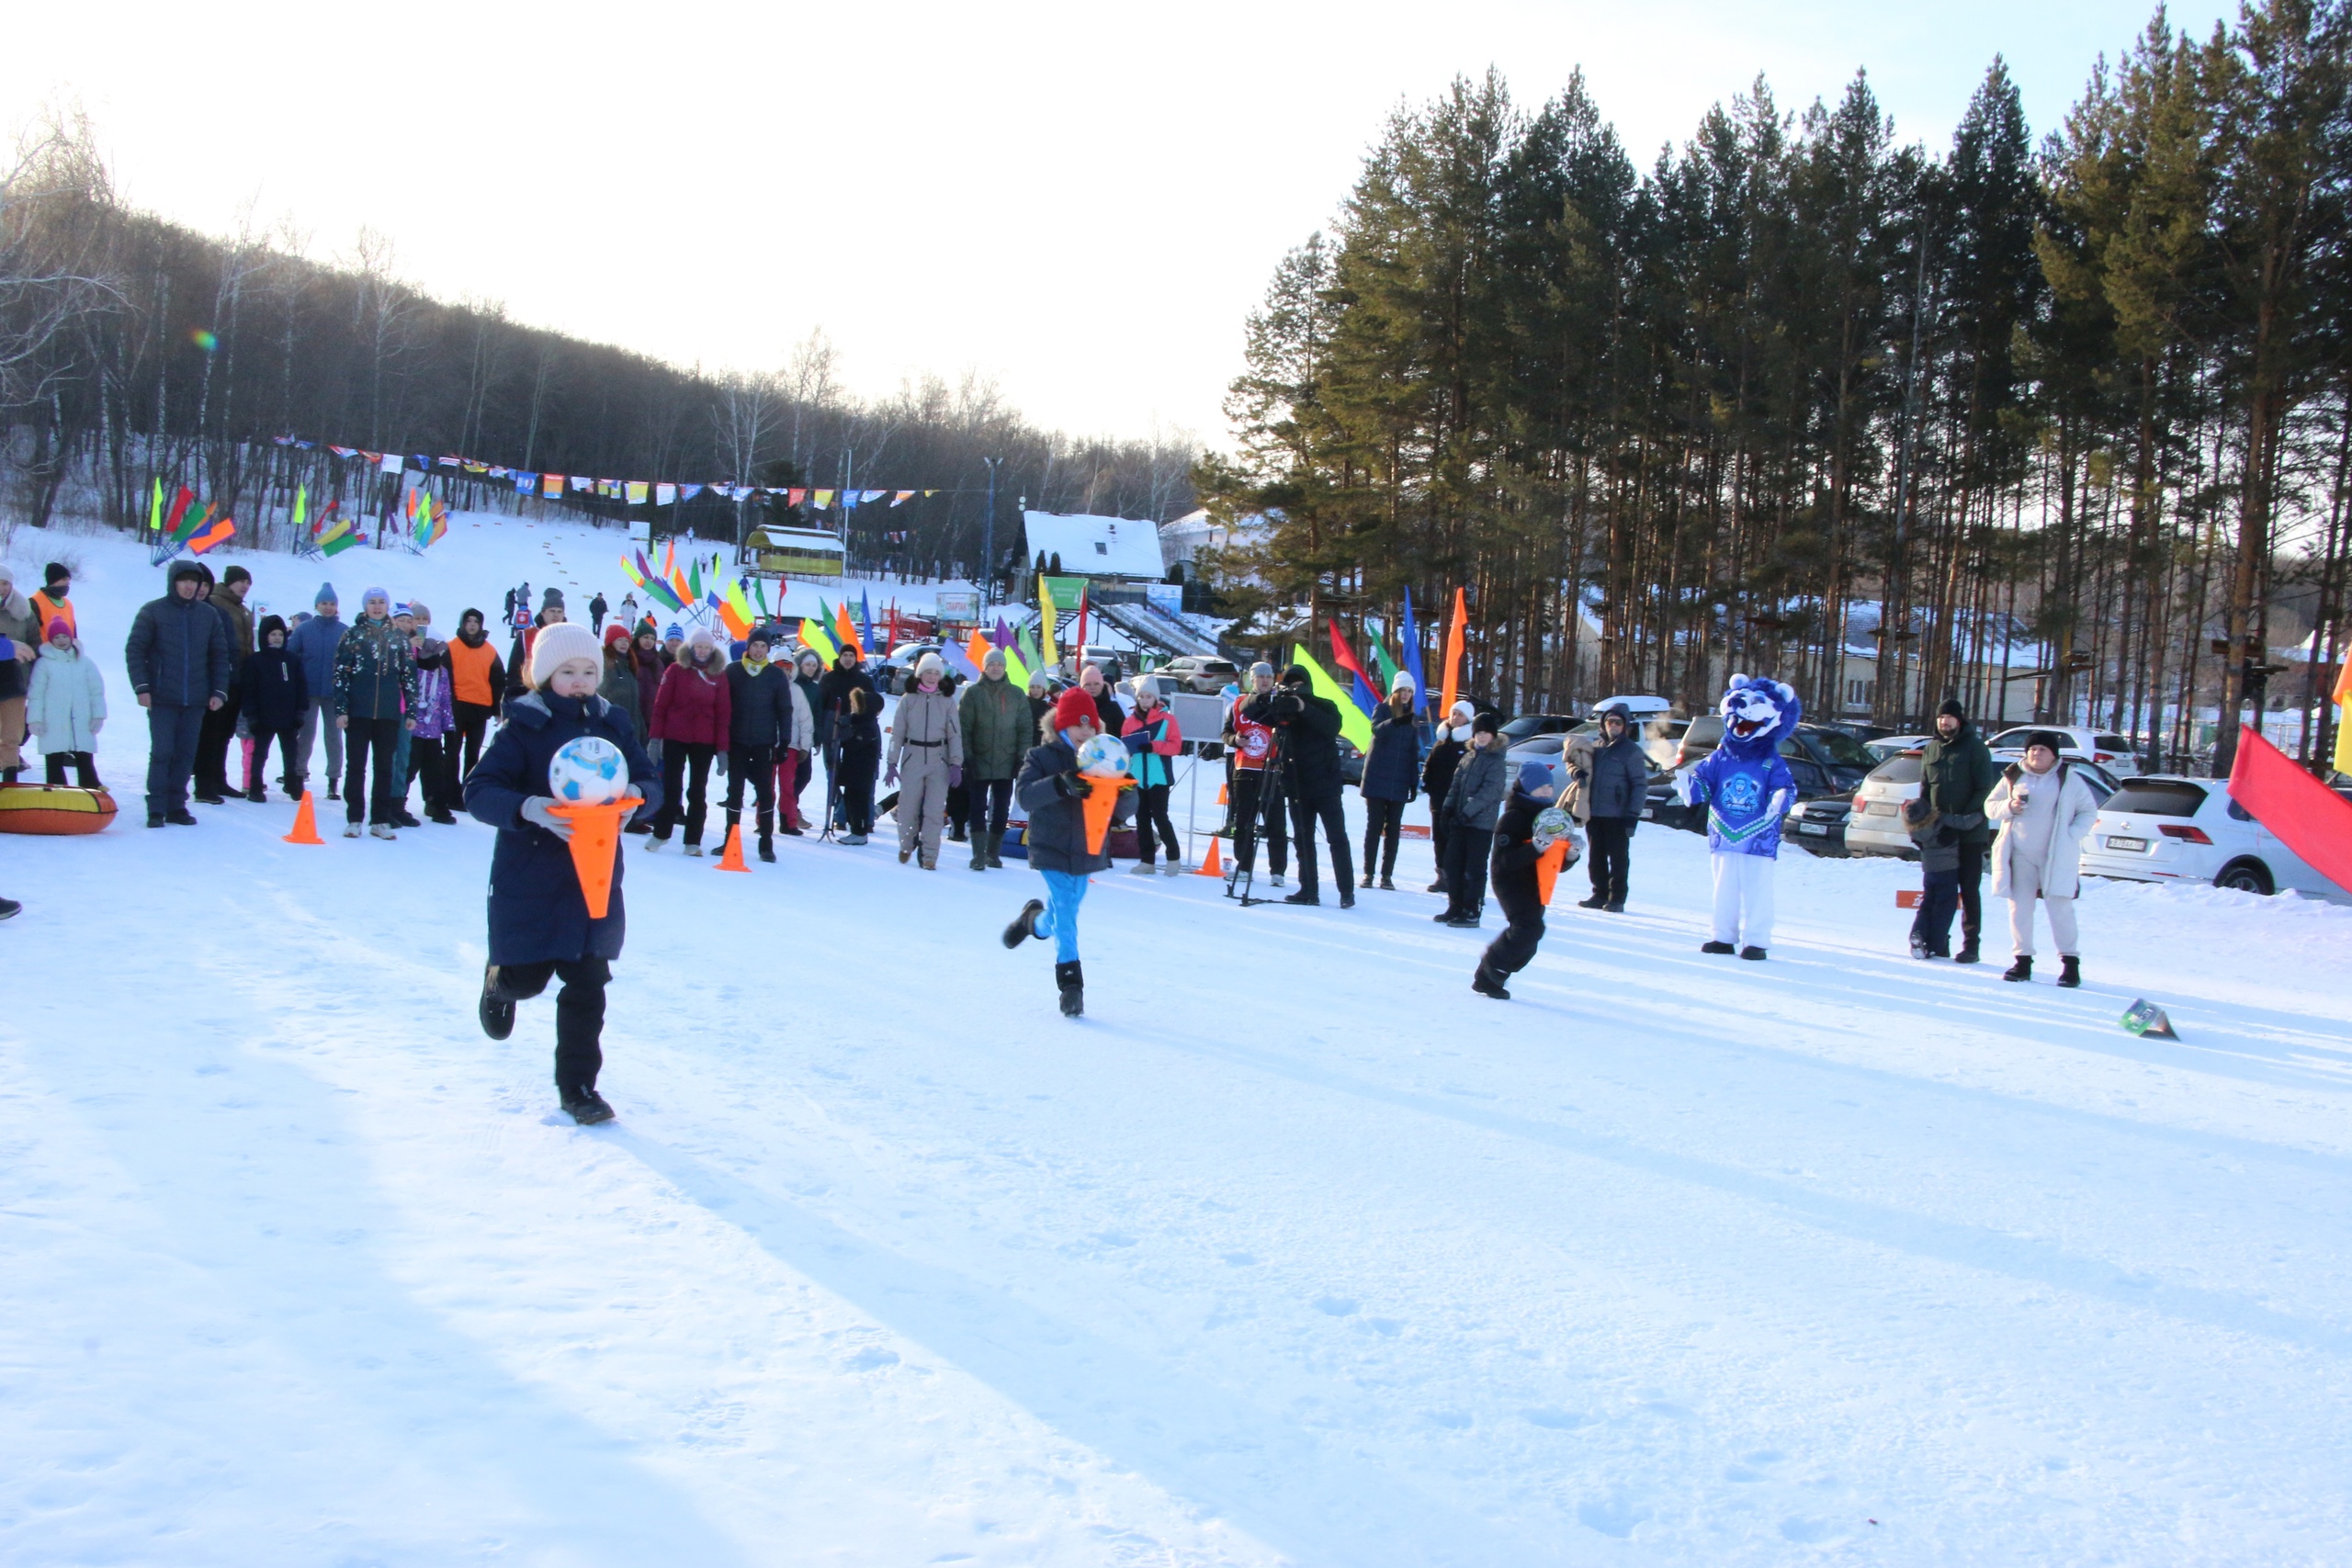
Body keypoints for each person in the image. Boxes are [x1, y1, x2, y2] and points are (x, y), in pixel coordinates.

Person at [467, 621, 661, 1127]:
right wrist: (529, 807)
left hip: (593, 877)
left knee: (588, 982)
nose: (580, 681)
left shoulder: (614, 724)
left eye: (589, 671)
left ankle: (578, 1088)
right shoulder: (523, 727)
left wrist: (635, 802)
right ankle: (499, 981)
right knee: (528, 979)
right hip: (532, 873)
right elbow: (480, 789)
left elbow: (647, 778)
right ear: (544, 675)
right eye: (569, 671)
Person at [1002, 687, 1114, 1016]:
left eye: (1091, 727)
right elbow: (1024, 796)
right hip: (1050, 846)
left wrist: (1124, 785)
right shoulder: (1041, 757)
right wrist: (1060, 784)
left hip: (1086, 848)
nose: (1085, 732)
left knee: (1063, 910)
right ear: (1061, 726)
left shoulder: (1103, 760)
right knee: (1066, 908)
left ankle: (1032, 923)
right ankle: (1071, 984)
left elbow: (1124, 809)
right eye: (1078, 726)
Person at [124, 558, 232, 828]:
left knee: (186, 754)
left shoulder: (208, 615)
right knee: (163, 752)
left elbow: (220, 655)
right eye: (183, 581)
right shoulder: (153, 612)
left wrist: (219, 690)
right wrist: (142, 687)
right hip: (162, 697)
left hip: (195, 699)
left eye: (193, 581)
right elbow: (135, 650)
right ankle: (157, 807)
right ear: (173, 583)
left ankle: (177, 805)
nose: (188, 586)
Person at [1984, 731, 2098, 987]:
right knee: (2019, 909)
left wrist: (2072, 834)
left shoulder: (2068, 778)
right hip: (2020, 855)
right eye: (2032, 749)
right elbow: (1990, 805)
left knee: (2060, 909)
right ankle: (2022, 961)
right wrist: (2008, 808)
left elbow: (2088, 811)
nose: (2036, 754)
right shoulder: (2014, 776)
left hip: (2055, 855)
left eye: (2042, 750)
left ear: (2054, 755)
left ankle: (2070, 965)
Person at [1245, 663, 1354, 907]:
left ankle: (1346, 892)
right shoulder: (1283, 710)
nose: (1294, 689)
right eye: (1289, 684)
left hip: (1326, 786)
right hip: (1297, 786)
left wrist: (1304, 707)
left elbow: (1332, 726)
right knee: (1302, 840)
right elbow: (1248, 709)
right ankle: (1308, 890)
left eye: (1298, 685)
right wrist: (1268, 696)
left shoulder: (1324, 705)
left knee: (1337, 839)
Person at [330, 587, 420, 839]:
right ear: (365, 606)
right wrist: (341, 709)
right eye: (372, 602)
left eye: (381, 602)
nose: (377, 607)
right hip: (358, 712)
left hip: (389, 714)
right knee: (356, 766)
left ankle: (380, 820)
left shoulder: (398, 638)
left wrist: (411, 711)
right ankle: (355, 818)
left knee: (384, 767)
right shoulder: (353, 635)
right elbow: (340, 675)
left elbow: (409, 677)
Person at [1475, 762, 1567, 998]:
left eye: (1549, 786)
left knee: (1531, 935)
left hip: (1536, 882)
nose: (1546, 791)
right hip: (1510, 881)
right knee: (1529, 928)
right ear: (1527, 787)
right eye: (1540, 787)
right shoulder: (1513, 818)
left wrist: (1572, 854)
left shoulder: (1548, 818)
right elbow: (1504, 862)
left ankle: (1492, 973)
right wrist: (1535, 847)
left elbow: (1556, 861)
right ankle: (1490, 970)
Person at [1917, 697, 1999, 964]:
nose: (1945, 722)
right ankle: (1939, 942)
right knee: (1941, 890)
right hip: (1939, 837)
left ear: (1960, 719)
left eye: (1950, 717)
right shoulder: (1931, 750)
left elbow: (1984, 789)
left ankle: (1971, 945)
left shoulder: (1975, 749)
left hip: (1969, 833)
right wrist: (1923, 827)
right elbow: (1924, 792)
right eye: (1941, 717)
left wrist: (1961, 820)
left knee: (1968, 889)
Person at [647, 628, 730, 855]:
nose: (702, 651)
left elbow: (724, 714)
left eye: (706, 647)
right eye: (698, 646)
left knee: (697, 791)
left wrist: (723, 749)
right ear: (691, 648)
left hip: (704, 741)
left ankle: (693, 841)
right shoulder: (676, 670)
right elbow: (660, 706)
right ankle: (661, 833)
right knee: (672, 787)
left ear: (712, 649)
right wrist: (655, 739)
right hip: (675, 736)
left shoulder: (719, 674)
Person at [722, 628, 797, 863]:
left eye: (763, 647)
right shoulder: (733, 671)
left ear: (768, 649)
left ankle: (766, 844)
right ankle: (729, 841)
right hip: (737, 741)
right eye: (755, 645)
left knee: (765, 793)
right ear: (748, 646)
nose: (758, 650)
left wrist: (784, 741)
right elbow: (723, 707)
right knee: (734, 792)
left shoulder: (775, 675)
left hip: (764, 743)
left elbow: (785, 711)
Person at [888, 651, 963, 868]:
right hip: (913, 756)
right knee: (907, 806)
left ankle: (929, 855)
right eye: (928, 672)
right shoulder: (908, 700)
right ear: (920, 674)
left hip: (939, 760)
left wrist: (956, 763)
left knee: (934, 811)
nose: (931, 677)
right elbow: (897, 733)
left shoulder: (947, 702)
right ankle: (907, 843)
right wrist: (892, 762)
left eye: (936, 673)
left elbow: (955, 734)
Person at [959, 647, 1031, 869]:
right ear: (985, 667)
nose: (996, 668)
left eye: (999, 664)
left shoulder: (1017, 694)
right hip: (978, 761)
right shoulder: (973, 694)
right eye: (992, 664)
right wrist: (967, 757)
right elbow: (964, 728)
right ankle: (978, 855)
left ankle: (993, 853)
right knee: (977, 808)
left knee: (1001, 809)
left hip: (1007, 762)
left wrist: (1021, 758)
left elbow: (1025, 728)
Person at [1571, 701, 1646, 911]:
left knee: (1618, 859)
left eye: (1618, 723)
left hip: (1618, 814)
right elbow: (1573, 762)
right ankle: (1599, 894)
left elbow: (1640, 785)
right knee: (1596, 857)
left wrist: (1632, 815)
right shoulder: (1595, 748)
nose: (1613, 726)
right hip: (1595, 812)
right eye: (1609, 722)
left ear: (1625, 726)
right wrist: (1577, 773)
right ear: (1603, 724)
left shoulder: (1631, 751)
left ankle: (1617, 898)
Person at [1434, 712, 1507, 925]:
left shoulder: (1496, 761)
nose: (1482, 737)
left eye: (1486, 733)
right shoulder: (1468, 756)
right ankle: (1455, 905)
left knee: (1473, 868)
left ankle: (1472, 909)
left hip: (1480, 823)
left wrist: (1467, 813)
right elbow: (1456, 784)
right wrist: (1447, 809)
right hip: (1459, 820)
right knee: (1452, 863)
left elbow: (1489, 792)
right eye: (1478, 733)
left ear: (1493, 735)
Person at [1223, 662, 1288, 890]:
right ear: (1252, 680)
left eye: (1269, 677)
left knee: (1275, 823)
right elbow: (1226, 731)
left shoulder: (1279, 703)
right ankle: (1244, 866)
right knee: (1244, 822)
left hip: (1272, 771)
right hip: (1245, 769)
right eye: (1260, 677)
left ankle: (1278, 871)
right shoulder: (1239, 703)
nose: (1265, 681)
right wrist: (1234, 740)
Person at [194, 564, 255, 803]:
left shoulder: (241, 609)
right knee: (212, 732)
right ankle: (206, 781)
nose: (244, 586)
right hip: (220, 678)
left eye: (248, 583)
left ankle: (218, 778)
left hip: (237, 677)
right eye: (240, 581)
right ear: (228, 583)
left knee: (225, 733)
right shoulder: (217, 604)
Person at [1358, 675, 1421, 889]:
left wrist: (1414, 782)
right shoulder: (1382, 709)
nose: (1406, 695)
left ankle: (1387, 875)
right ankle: (1368, 873)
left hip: (1400, 781)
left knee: (1393, 830)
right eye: (1402, 690)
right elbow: (1376, 730)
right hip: (1377, 779)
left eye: (1409, 691)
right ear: (1395, 692)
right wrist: (1394, 722)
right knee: (1374, 827)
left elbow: (1414, 752)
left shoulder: (1412, 718)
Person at [26, 616, 105, 787]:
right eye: (56, 637)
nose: (61, 641)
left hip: (82, 720)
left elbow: (96, 692)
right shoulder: (44, 664)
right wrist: (35, 720)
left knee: (84, 755)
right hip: (53, 722)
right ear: (50, 640)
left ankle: (91, 787)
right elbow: (36, 694)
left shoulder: (85, 663)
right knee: (54, 757)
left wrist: (98, 715)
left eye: (64, 636)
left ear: (71, 638)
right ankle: (56, 790)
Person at [236, 615, 308, 801]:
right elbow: (249, 690)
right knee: (259, 753)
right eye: (273, 634)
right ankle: (255, 786)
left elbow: (301, 686)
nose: (277, 638)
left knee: (291, 752)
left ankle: (291, 782)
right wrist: (251, 715)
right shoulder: (255, 661)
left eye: (280, 634)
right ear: (264, 637)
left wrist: (300, 711)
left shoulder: (292, 660)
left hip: (288, 716)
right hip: (263, 716)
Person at [287, 584, 347, 798]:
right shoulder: (304, 629)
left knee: (334, 736)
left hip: (334, 693)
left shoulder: (344, 631)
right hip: (308, 691)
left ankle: (333, 779)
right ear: (316, 605)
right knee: (306, 734)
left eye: (332, 604)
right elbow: (290, 657)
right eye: (324, 603)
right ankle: (299, 774)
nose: (328, 608)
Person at [1121, 681, 1184, 874]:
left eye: (1148, 696)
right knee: (1141, 819)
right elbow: (1124, 747)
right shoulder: (1130, 721)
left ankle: (1173, 857)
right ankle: (1147, 860)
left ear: (1156, 698)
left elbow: (1176, 746)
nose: (1144, 700)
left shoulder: (1167, 720)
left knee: (1160, 817)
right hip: (1137, 776)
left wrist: (1155, 747)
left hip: (1159, 777)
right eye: (1141, 696)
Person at [404, 603, 458, 825]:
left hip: (433, 729)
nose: (422, 621)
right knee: (408, 767)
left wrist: (449, 727)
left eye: (425, 617)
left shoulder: (441, 671)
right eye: (417, 618)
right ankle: (396, 802)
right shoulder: (408, 659)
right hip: (411, 726)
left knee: (435, 769)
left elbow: (446, 697)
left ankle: (436, 804)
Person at [817, 644, 878, 832]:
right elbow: (820, 705)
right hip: (832, 728)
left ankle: (862, 817)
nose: (848, 659)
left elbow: (872, 705)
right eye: (845, 655)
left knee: (858, 775)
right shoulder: (828, 678)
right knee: (833, 774)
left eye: (852, 655)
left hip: (856, 729)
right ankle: (839, 813)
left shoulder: (864, 680)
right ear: (840, 657)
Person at [1904, 794, 1968, 959]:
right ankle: (1935, 945)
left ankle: (1918, 932)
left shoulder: (1915, 830)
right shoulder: (1939, 823)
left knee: (1927, 905)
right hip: (1947, 871)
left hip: (1929, 871)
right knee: (1944, 908)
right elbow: (1964, 823)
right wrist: (1980, 815)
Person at [1421, 700, 1475, 896]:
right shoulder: (1442, 741)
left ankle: (1458, 877)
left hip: (1458, 801)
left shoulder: (1470, 744)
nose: (1455, 718)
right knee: (1439, 839)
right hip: (1438, 800)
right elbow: (1431, 763)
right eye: (1454, 714)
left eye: (1460, 714)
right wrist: (1427, 781)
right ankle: (1442, 875)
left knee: (1457, 840)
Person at [447, 608, 507, 778]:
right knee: (452, 752)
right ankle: (450, 793)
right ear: (463, 623)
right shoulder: (451, 647)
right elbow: (445, 679)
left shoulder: (490, 651)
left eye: (476, 622)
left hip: (480, 707)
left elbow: (498, 682)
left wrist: (497, 710)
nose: (472, 625)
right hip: (456, 706)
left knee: (473, 754)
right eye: (469, 621)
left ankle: (469, 790)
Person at [780, 647, 827, 835]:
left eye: (813, 666)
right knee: (786, 779)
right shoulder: (792, 683)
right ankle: (790, 811)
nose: (810, 668)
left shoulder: (816, 688)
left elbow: (816, 715)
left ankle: (791, 805)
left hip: (804, 739)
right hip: (787, 738)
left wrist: (816, 739)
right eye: (807, 664)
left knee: (804, 776)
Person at [0, 565, 38, 781]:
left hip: (16, 680)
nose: (1, 588)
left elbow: (34, 643)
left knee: (12, 734)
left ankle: (10, 780)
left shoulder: (23, 610)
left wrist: (34, 675)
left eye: (5, 584)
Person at [836, 685, 883, 844]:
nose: (854, 709)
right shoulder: (860, 722)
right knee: (850, 799)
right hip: (852, 770)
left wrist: (844, 733)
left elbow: (854, 744)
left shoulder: (868, 726)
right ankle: (855, 828)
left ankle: (860, 831)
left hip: (862, 773)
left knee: (859, 802)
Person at [598, 625, 649, 746]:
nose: (624, 643)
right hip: (612, 733)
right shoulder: (604, 666)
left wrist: (642, 732)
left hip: (631, 733)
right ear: (611, 642)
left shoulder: (629, 668)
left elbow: (635, 706)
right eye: (619, 639)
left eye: (627, 640)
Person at [30, 563, 74, 639]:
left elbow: (73, 632)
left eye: (68, 580)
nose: (68, 583)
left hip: (66, 651)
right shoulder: (35, 601)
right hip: (42, 650)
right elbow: (30, 633)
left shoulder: (68, 604)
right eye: (64, 579)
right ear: (53, 581)